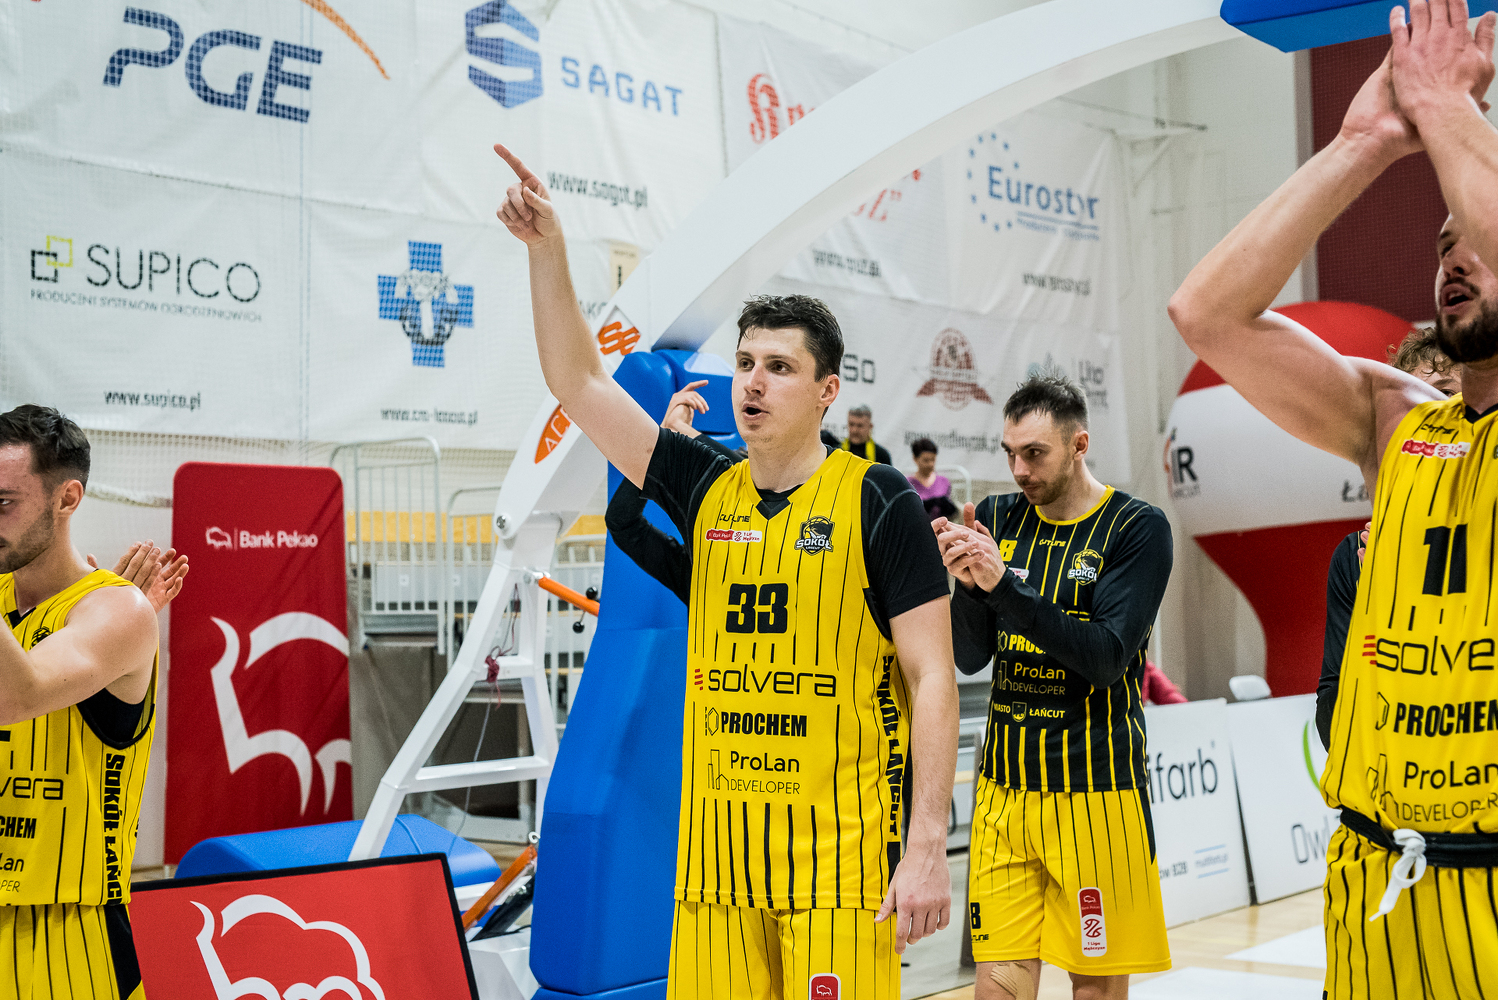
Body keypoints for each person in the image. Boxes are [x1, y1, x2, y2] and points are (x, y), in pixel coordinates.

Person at [495, 144, 959, 999]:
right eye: (746, 363)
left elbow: (933, 676)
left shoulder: (879, 498)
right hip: (716, 864)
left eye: (780, 368)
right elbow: (579, 381)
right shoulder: (703, 482)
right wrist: (548, 251)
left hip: (839, 862)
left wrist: (926, 842)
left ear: (827, 391)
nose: (754, 383)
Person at [1169, 3, 1498, 993]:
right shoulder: (1400, 421)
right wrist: (1362, 145)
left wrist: (1447, 107)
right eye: (1440, 241)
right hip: (1375, 870)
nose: (1453, 256)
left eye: (1475, 235)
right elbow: (1206, 313)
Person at [934, 373, 1174, 1000]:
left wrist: (1004, 588)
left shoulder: (1136, 528)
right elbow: (970, 656)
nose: (1019, 470)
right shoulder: (996, 518)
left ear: (1078, 445)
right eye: (1010, 453)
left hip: (1096, 793)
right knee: (997, 985)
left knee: (1093, 987)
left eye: (1035, 453)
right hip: (1004, 793)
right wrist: (967, 586)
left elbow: (1106, 659)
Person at [0, 405, 173, 1000]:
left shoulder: (119, 610)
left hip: (65, 934)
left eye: (3, 503)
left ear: (67, 498)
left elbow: (16, 694)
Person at [1316, 328, 1458, 750]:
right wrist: (1379, 607)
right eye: (1413, 407)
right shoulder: (1356, 556)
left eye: (1445, 395)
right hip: (1408, 777)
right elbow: (1333, 726)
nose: (1430, 420)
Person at [908, 438, 956, 522]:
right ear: (915, 459)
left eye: (933, 460)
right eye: (926, 460)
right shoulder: (908, 483)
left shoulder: (943, 482)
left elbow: (951, 514)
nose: (930, 464)